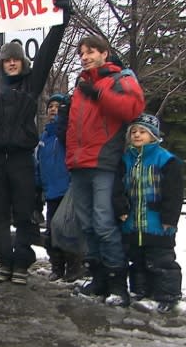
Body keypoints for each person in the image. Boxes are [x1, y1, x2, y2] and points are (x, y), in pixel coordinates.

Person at [0, 0, 73, 285]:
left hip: (21, 159)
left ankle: (22, 263)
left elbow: (47, 53)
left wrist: (61, 21)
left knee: (25, 212)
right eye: (7, 60)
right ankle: (5, 261)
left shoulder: (32, 84)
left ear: (23, 63)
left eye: (16, 59)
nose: (11, 63)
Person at [59, 34, 145, 306]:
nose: (85, 57)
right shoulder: (81, 85)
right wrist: (70, 157)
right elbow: (73, 128)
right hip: (79, 164)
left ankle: (118, 284)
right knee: (87, 226)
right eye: (81, 53)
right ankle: (98, 279)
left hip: (104, 163)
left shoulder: (121, 79)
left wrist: (99, 93)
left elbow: (133, 108)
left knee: (104, 223)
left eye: (91, 52)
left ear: (105, 53)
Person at [117, 113, 184, 313]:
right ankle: (140, 290)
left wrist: (169, 219)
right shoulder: (125, 160)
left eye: (142, 132)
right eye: (134, 132)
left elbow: (174, 193)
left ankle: (168, 295)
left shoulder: (166, 160)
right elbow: (117, 189)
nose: (137, 135)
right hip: (132, 222)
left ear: (153, 135)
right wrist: (121, 208)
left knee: (161, 261)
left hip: (157, 222)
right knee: (137, 259)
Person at [35, 93, 83, 282]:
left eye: (58, 106)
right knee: (52, 231)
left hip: (68, 189)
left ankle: (74, 267)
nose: (54, 109)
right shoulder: (44, 137)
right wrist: (38, 186)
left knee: (68, 230)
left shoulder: (69, 133)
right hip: (51, 191)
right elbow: (38, 163)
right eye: (51, 106)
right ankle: (57, 266)